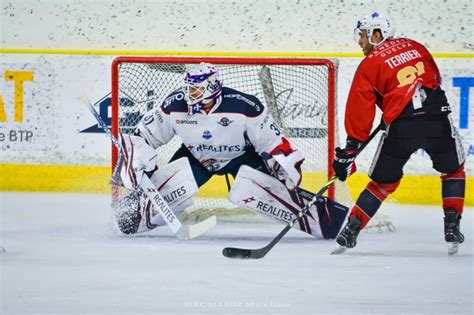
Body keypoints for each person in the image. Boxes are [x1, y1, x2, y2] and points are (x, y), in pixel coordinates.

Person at [114, 63, 306, 234]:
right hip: (197, 158)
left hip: (240, 157)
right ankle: (132, 213)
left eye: (195, 90)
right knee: (140, 213)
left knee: (272, 192)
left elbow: (271, 141)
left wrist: (283, 164)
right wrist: (137, 158)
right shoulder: (175, 104)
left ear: (211, 88)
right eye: (188, 88)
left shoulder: (245, 105)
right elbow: (145, 135)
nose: (189, 94)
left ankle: (306, 210)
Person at [332, 11, 466, 253]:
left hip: (402, 127)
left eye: (363, 36)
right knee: (453, 171)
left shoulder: (368, 65)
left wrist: (351, 147)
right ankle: (452, 226)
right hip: (437, 119)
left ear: (377, 34)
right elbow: (433, 79)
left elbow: (359, 110)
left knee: (383, 183)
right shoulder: (416, 46)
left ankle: (351, 230)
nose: (360, 42)